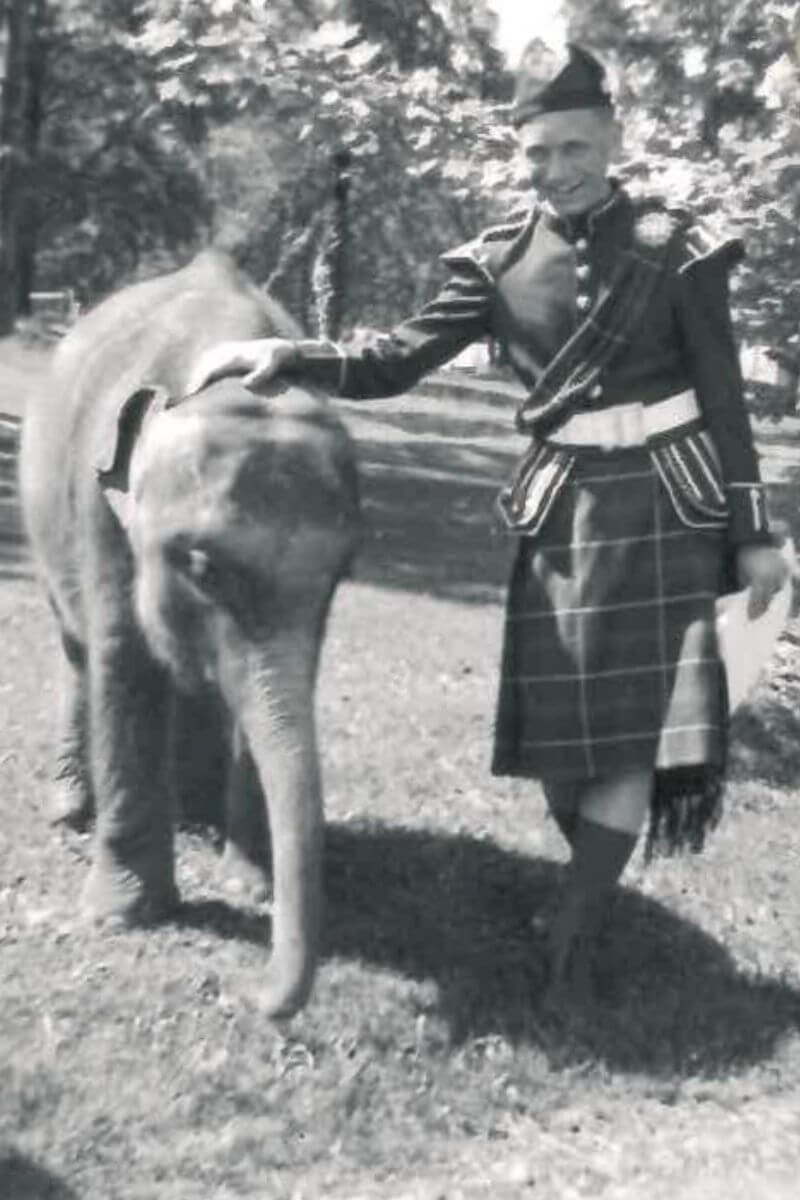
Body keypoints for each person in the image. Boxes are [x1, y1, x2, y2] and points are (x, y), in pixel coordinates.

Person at [188, 41, 788, 1008]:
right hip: (563, 512)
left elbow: (724, 397)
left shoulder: (678, 248)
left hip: (669, 510)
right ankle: (585, 884)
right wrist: (291, 353)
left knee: (627, 744)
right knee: (565, 752)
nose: (557, 167)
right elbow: (397, 358)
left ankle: (574, 946)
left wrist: (753, 527)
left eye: (575, 146)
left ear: (614, 137)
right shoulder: (496, 260)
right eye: (539, 152)